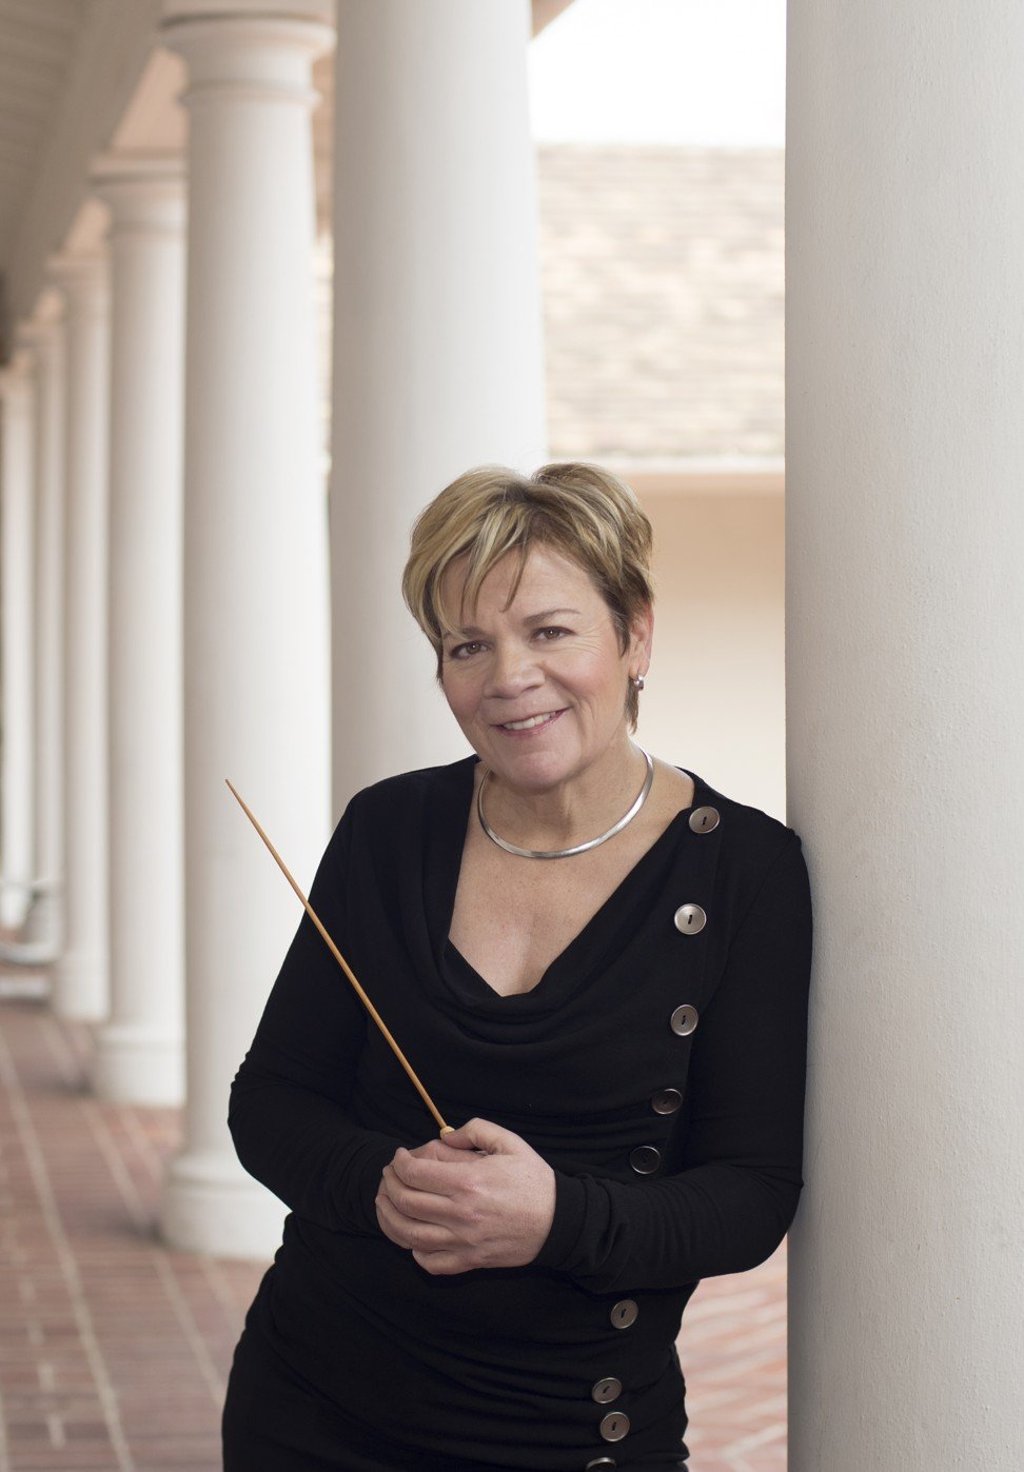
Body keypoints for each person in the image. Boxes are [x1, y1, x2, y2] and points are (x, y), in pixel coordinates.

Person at [221, 462, 812, 1472]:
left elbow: (751, 1194)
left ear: (635, 636)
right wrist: (380, 1186)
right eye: (468, 645)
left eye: (549, 631)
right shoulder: (386, 828)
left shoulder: (745, 871)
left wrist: (558, 1219)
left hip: (572, 1433)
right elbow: (271, 1098)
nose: (507, 676)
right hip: (311, 1410)